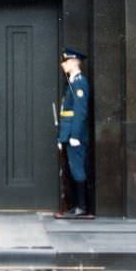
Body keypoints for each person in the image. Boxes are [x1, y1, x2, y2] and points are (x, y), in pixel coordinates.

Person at [57, 48, 92, 218]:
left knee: (77, 169)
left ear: (75, 62)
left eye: (66, 61)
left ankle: (83, 207)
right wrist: (62, 136)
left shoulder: (79, 83)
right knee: (72, 168)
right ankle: (75, 205)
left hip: (75, 134)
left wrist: (75, 136)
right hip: (68, 132)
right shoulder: (71, 82)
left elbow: (80, 111)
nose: (63, 64)